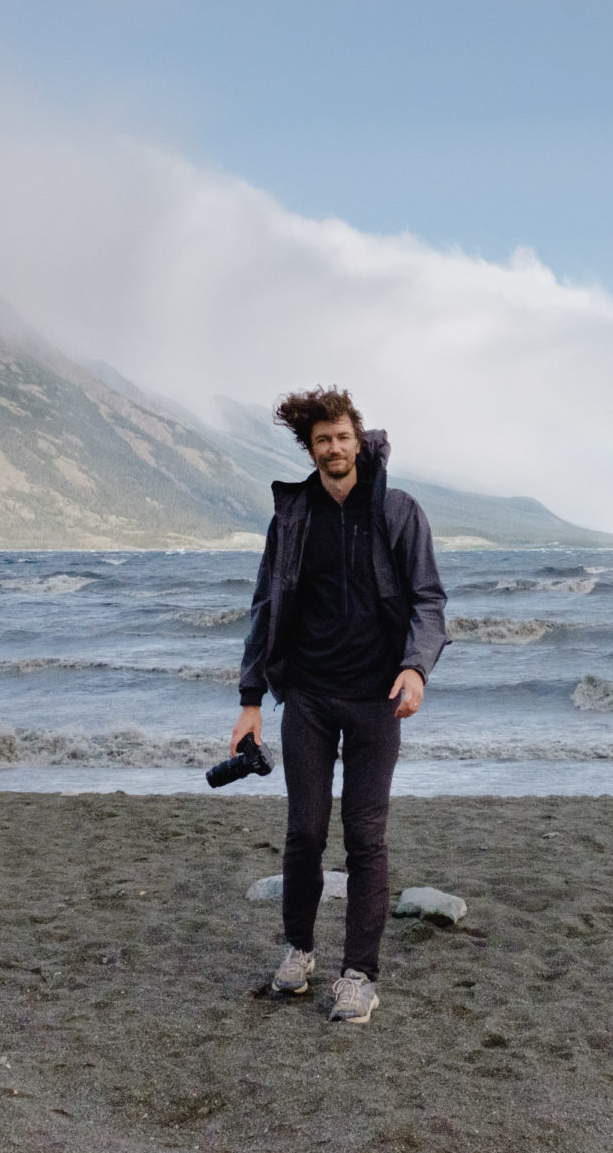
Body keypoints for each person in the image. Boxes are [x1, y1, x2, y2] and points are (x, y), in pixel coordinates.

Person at [232, 386, 448, 1024]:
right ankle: (299, 952)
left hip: (377, 699)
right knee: (304, 832)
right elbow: (266, 608)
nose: (334, 447)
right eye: (322, 439)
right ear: (311, 447)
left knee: (365, 836)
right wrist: (250, 701)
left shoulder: (398, 510)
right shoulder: (293, 517)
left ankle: (359, 974)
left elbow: (428, 601)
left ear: (360, 439)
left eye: (343, 436)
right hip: (309, 697)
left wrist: (416, 668)